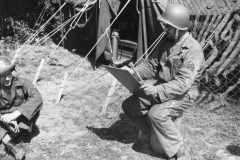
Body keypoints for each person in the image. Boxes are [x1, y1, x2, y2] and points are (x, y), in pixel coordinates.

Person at [121, 4, 205, 160]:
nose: (165, 29)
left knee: (157, 114)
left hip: (185, 94)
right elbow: (152, 65)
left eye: (168, 26)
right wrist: (134, 72)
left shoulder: (193, 50)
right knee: (129, 106)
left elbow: (182, 84)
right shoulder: (166, 42)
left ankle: (180, 151)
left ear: (179, 29)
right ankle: (148, 133)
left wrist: (157, 90)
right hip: (162, 87)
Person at [0, 57, 43, 160]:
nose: (7, 78)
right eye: (3, 76)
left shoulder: (23, 82)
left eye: (9, 74)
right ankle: (13, 146)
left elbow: (37, 98)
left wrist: (14, 115)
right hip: (3, 119)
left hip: (21, 118)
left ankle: (4, 141)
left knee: (17, 126)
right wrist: (6, 120)